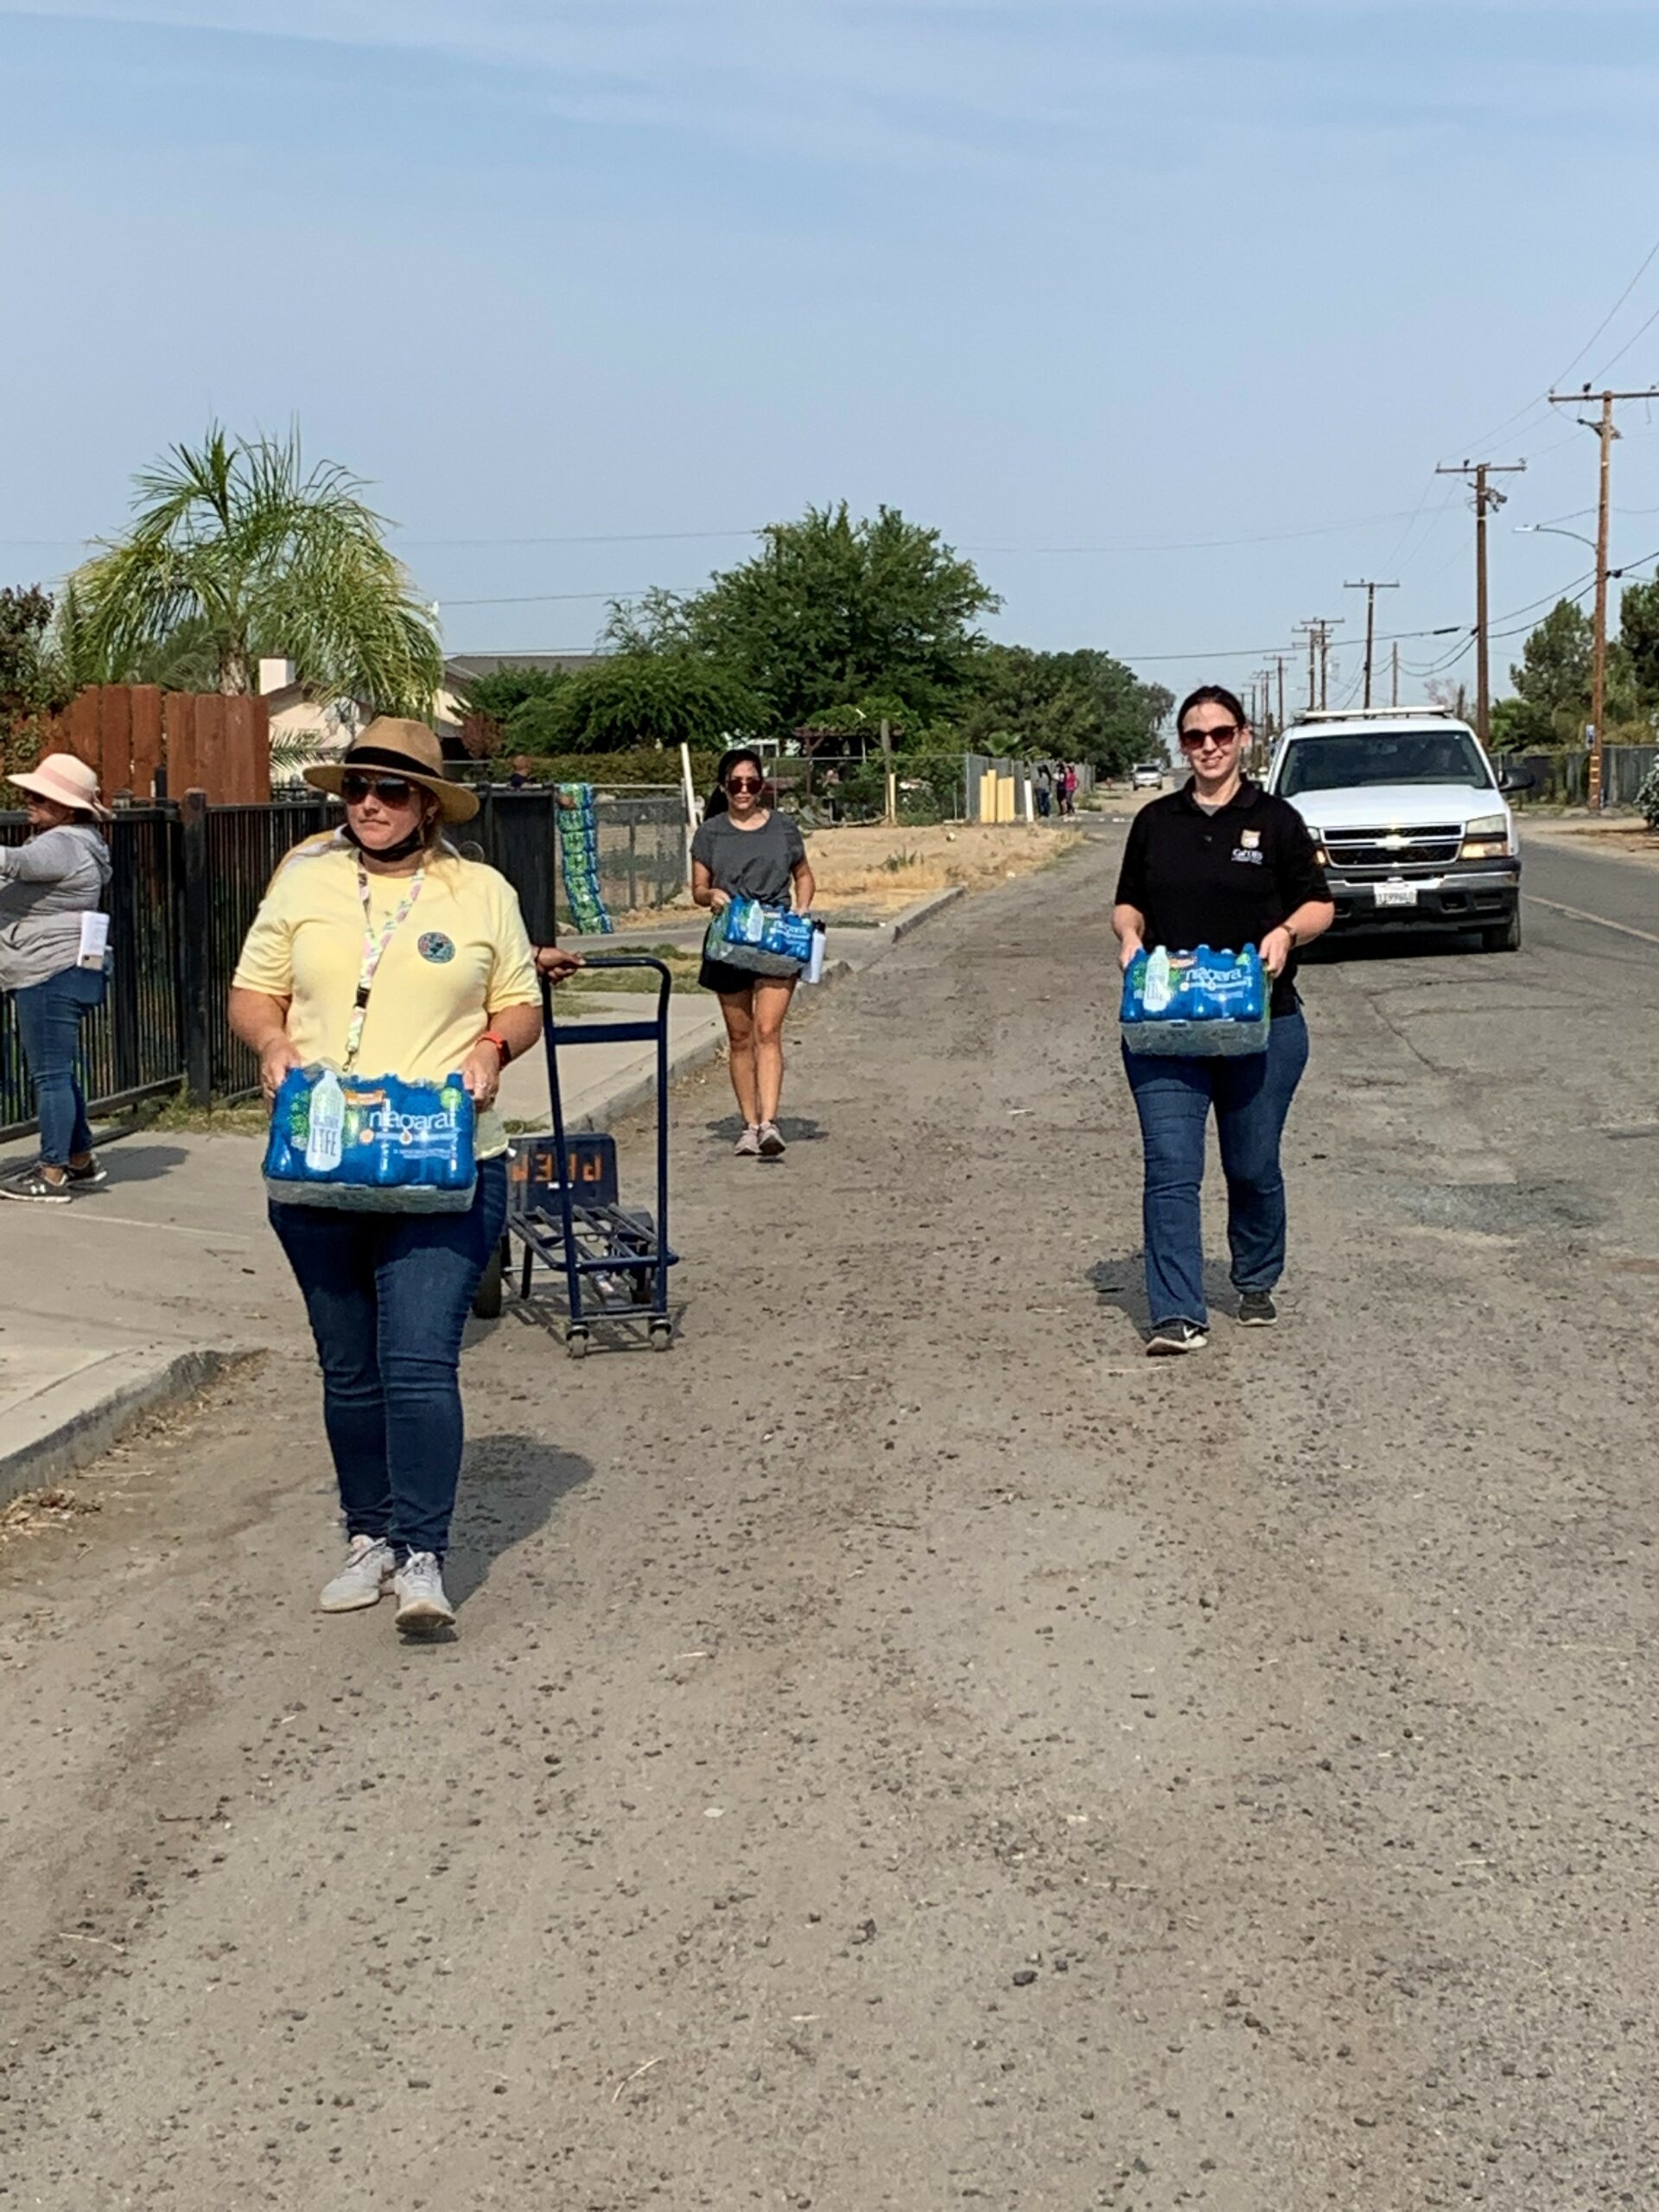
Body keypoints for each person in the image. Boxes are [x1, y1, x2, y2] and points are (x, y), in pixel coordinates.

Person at [229, 717, 544, 1634]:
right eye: (356, 787)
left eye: (392, 789)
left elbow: (520, 1000)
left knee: (417, 1363)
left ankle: (423, 1555)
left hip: (444, 1164)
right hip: (323, 1160)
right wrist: (273, 1039)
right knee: (349, 1370)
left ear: (430, 804)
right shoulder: (304, 880)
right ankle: (367, 1532)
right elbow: (254, 989)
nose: (369, 803)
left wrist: (492, 1047)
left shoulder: (479, 891)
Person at [1112, 684, 1334, 1356]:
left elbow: (1320, 904)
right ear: (1180, 743)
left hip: (1261, 1028)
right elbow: (1129, 903)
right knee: (1172, 1168)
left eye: (1220, 734)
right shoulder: (1155, 821)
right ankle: (1178, 1313)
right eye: (1193, 736)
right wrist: (1128, 937)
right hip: (1166, 1028)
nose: (1208, 747)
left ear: (1243, 737)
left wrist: (1288, 933)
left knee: (1252, 1165)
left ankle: (1256, 1275)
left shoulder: (1277, 821)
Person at [0, 753, 113, 1205]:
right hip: (67, 969)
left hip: (47, 971)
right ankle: (80, 1159)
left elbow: (17, 863)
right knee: (60, 1073)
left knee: (49, 1076)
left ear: (68, 809)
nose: (28, 802)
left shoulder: (62, 843)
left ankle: (51, 1174)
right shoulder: (80, 841)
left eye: (40, 798)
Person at [691, 747, 815, 1160]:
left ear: (762, 786)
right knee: (740, 1037)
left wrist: (801, 909)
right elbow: (697, 889)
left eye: (752, 782)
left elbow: (804, 875)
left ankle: (769, 1123)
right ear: (724, 787)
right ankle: (748, 1123)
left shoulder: (783, 828)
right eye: (735, 783)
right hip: (730, 940)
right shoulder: (710, 833)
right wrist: (712, 895)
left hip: (776, 937)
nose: (744, 790)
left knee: (768, 1031)